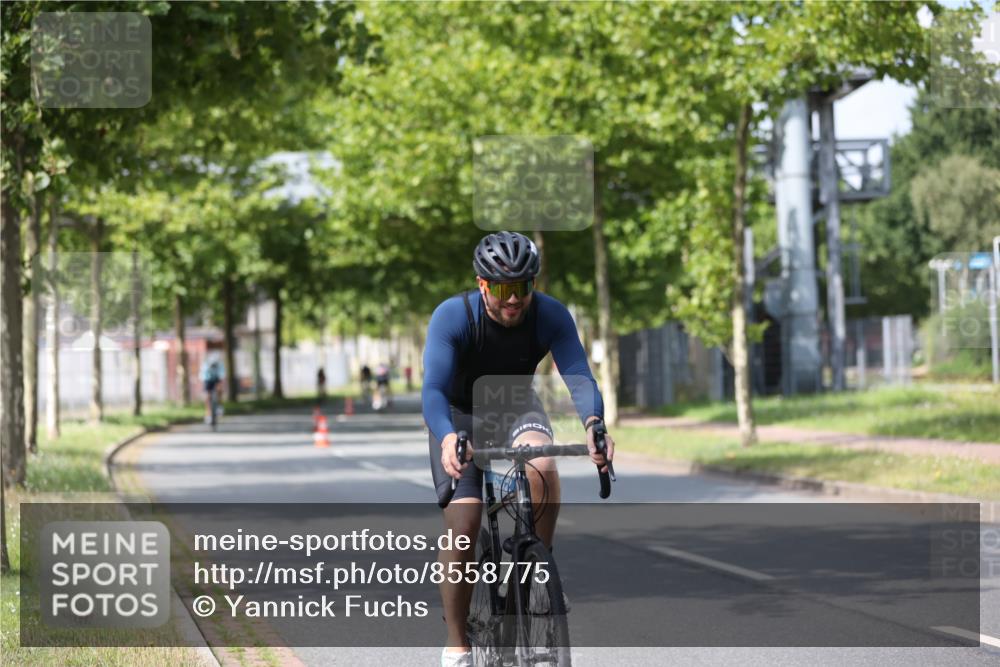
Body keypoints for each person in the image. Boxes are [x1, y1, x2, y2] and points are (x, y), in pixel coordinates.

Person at [422, 230, 615, 667]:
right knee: (465, 522)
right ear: (482, 284)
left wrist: (593, 424)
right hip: (458, 418)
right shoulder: (453, 316)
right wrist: (449, 437)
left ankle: (535, 576)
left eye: (524, 287)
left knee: (543, 464)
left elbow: (579, 375)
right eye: (505, 289)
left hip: (514, 408)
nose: (515, 300)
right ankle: (456, 643)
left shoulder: (549, 315)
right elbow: (432, 390)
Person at [199, 353, 225, 424]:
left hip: (216, 378)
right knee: (207, 396)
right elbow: (202, 376)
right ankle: (208, 414)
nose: (213, 365)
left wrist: (220, 382)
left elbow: (222, 375)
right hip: (208, 379)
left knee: (219, 389)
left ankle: (219, 406)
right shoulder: (205, 365)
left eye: (215, 364)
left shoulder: (220, 365)